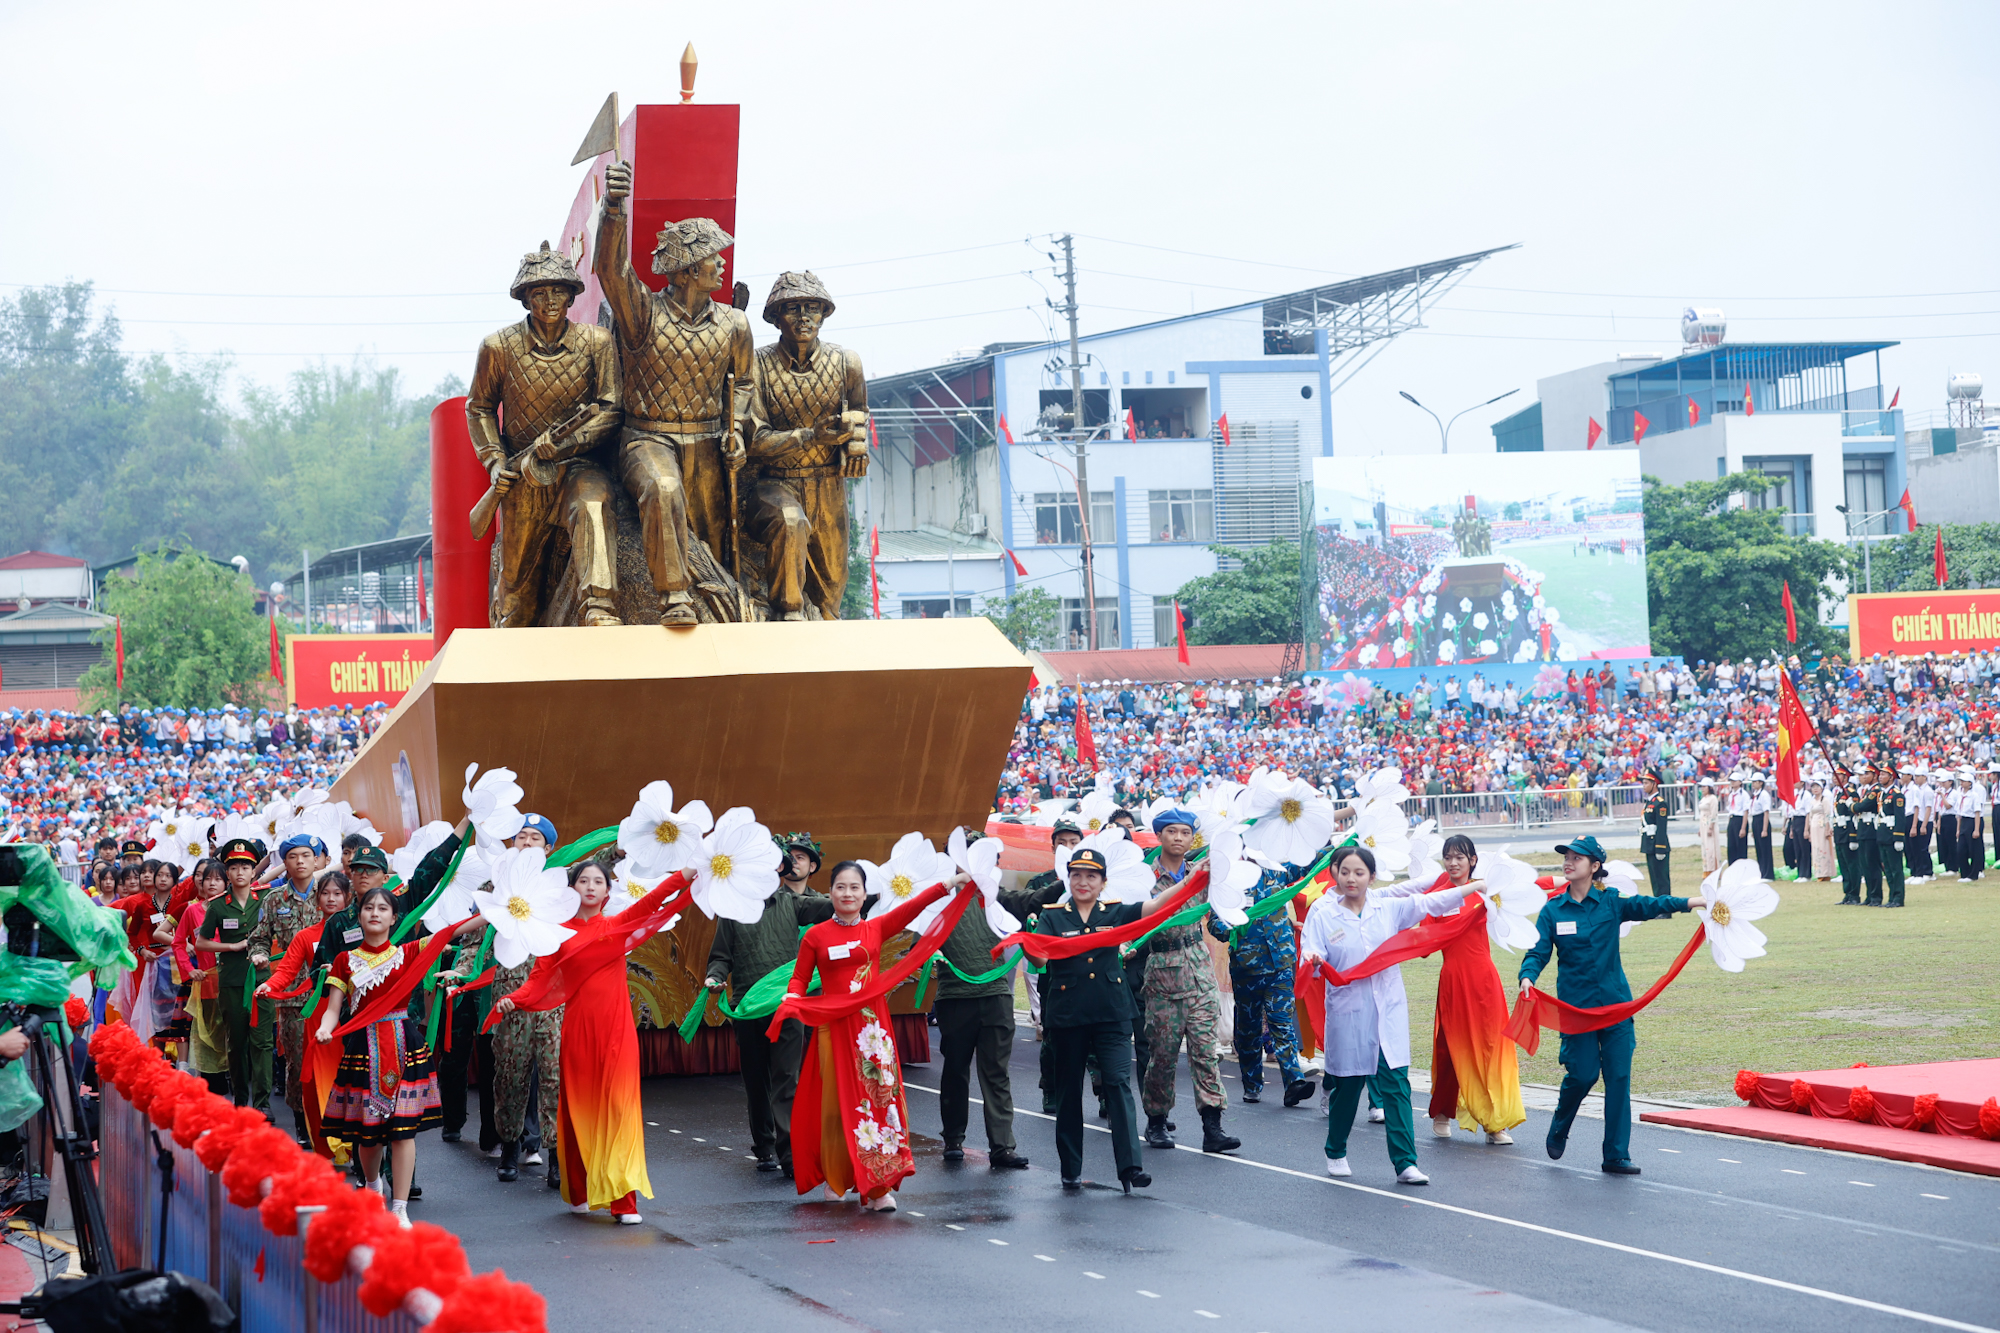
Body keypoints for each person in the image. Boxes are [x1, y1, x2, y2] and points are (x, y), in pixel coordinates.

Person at [595, 161, 754, 626]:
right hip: (648, 438)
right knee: (663, 489)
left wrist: (738, 429)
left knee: (710, 540)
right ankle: (673, 598)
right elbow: (610, 268)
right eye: (713, 255)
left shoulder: (734, 323)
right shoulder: (642, 313)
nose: (722, 262)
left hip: (708, 441)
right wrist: (614, 208)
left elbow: (743, 384)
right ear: (685, 269)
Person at [495, 859, 683, 1224]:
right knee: (579, 1109)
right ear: (572, 889)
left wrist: (685, 875)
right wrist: (513, 999)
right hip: (579, 1031)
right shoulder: (556, 935)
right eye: (584, 880)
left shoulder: (615, 926)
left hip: (617, 1031)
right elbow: (537, 980)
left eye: (599, 881)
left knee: (619, 1110)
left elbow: (655, 900)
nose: (592, 886)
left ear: (608, 892)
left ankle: (624, 1202)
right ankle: (579, 1190)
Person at [783, 861, 971, 1212]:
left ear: (865, 894)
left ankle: (877, 1187)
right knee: (836, 1106)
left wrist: (949, 883)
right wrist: (792, 997)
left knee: (878, 1102)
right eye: (841, 887)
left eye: (855, 887)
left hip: (871, 1032)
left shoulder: (876, 928)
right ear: (830, 892)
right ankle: (837, 1175)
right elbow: (799, 977)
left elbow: (913, 906)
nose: (848, 893)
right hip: (832, 1028)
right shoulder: (815, 936)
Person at [1517, 834, 1703, 1176]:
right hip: (1576, 1010)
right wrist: (1527, 976)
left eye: (1577, 857)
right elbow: (1538, 951)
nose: (1568, 862)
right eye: (1566, 856)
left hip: (1616, 1006)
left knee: (1618, 1076)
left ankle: (1616, 1154)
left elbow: (1651, 904)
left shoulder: (1611, 902)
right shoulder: (1553, 910)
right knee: (1583, 1074)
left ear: (1595, 866)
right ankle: (1560, 1123)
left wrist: (1693, 902)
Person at [466, 241, 625, 627]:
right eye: (539, 294)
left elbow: (611, 410)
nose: (550, 301)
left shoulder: (597, 344)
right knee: (516, 579)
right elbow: (479, 408)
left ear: (571, 296)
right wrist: (495, 462)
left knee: (592, 506)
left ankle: (599, 607)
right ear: (525, 300)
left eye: (558, 292)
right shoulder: (498, 347)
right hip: (524, 471)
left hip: (578, 463)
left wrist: (567, 444)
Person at [1302, 844, 1477, 1184]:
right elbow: (1310, 950)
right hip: (1349, 1012)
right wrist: (1311, 959)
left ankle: (1405, 1163)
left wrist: (1476, 887)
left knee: (1397, 1085)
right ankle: (1336, 1150)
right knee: (1349, 1085)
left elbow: (1428, 902)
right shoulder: (1323, 914)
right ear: (1336, 873)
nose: (1351, 878)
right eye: (1345, 872)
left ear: (1371, 876)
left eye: (1359, 872)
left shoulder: (1386, 908)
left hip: (1388, 1010)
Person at [1038, 845, 1191, 1192]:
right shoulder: (1052, 917)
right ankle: (1071, 1168)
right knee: (1068, 1092)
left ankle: (1130, 1168)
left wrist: (1190, 881)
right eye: (1076, 874)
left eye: (1091, 876)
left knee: (1119, 1087)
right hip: (1068, 1016)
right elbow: (1038, 958)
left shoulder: (1116, 911)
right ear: (1068, 878)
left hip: (1111, 1014)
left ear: (1103, 882)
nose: (1083, 881)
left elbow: (1155, 907)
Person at [705, 833, 838, 1177]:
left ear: (780, 868)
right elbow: (721, 957)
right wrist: (715, 977)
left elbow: (834, 907)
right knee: (756, 1081)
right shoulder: (732, 910)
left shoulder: (795, 904)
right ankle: (763, 1144)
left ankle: (790, 1154)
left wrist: (866, 893)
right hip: (747, 1009)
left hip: (788, 1008)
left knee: (786, 1079)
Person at [932, 830, 1062, 1170]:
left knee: (996, 1074)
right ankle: (953, 1140)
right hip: (955, 998)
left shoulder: (997, 897)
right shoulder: (938, 898)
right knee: (955, 1072)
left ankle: (1002, 1147)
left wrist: (1068, 876)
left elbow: (1034, 899)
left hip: (997, 997)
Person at [315, 885, 444, 1227]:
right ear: (358, 916)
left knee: (403, 1131)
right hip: (362, 1048)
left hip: (405, 1045)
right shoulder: (345, 961)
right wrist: (326, 1029)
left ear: (394, 917)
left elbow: (453, 930)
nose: (375, 913)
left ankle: (399, 1206)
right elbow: (333, 1008)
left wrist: (495, 912)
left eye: (383, 908)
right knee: (368, 1134)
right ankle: (374, 1187)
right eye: (368, 907)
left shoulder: (408, 953)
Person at [1383, 835, 1524, 1145]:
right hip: (1453, 982)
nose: (1453, 862)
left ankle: (1494, 1120)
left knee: (1491, 1046)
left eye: (1460, 857)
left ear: (1472, 860)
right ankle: (1443, 1112)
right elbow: (1422, 940)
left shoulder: (1486, 890)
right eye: (1448, 857)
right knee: (1449, 1049)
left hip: (1485, 981)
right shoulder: (1440, 896)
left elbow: (1526, 890)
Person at [746, 272, 868, 621]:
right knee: (790, 522)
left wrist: (857, 445)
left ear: (824, 313)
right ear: (776, 317)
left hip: (828, 484)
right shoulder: (758, 364)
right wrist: (810, 435)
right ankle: (789, 615)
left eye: (812, 308)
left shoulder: (847, 363)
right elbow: (755, 439)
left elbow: (860, 415)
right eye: (793, 308)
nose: (804, 317)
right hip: (775, 482)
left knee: (831, 592)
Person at [1140, 809, 1238, 1156]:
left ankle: (1213, 1128)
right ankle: (1156, 1121)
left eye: (1185, 832)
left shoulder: (1203, 873)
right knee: (1163, 1055)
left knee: (1205, 1053)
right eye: (1171, 832)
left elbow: (1218, 906)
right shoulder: (1144, 876)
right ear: (1159, 836)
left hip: (1198, 970)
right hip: (1163, 974)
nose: (1179, 838)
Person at [490, 815, 564, 1185]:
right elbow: (479, 939)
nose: (527, 843)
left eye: (536, 838)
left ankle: (554, 1156)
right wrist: (465, 969)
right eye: (521, 837)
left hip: (551, 999)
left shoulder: (559, 887)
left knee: (553, 1076)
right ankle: (509, 1148)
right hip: (509, 999)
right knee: (510, 1075)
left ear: (548, 848)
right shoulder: (497, 884)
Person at [255, 872, 353, 1152]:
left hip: (355, 1013)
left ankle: (356, 1144)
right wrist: (269, 985)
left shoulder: (361, 928)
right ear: (317, 898)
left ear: (348, 897)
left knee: (353, 1075)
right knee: (317, 1077)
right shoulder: (306, 936)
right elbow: (287, 969)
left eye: (337, 893)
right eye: (325, 893)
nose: (331, 899)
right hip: (319, 1015)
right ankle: (323, 1137)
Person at [1207, 857, 1313, 1109]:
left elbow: (1310, 860)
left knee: (1282, 1023)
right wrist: (1231, 928)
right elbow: (1214, 921)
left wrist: (1341, 841)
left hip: (1280, 963)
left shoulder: (1277, 871)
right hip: (1247, 966)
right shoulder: (1227, 880)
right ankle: (1252, 1084)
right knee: (1248, 1028)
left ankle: (1294, 1082)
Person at [245, 833, 326, 1136]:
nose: (300, 861)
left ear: (317, 859)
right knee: (298, 1059)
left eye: (307, 855)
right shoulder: (274, 900)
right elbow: (259, 939)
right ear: (285, 863)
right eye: (293, 856)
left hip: (331, 990)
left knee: (332, 1054)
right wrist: (260, 956)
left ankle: (333, 1120)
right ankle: (303, 1120)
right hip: (292, 995)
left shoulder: (330, 894)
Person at [193, 837, 274, 1111]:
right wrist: (232, 946)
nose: (240, 872)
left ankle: (262, 1104)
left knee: (262, 1043)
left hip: (262, 980)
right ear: (227, 873)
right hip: (231, 981)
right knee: (237, 1043)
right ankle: (241, 1101)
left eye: (246, 867)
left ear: (254, 871)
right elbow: (201, 942)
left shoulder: (265, 898)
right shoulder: (217, 905)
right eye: (234, 867)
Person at [170, 858, 231, 1097]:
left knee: (231, 1030)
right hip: (205, 983)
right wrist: (189, 970)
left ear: (226, 883)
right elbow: (177, 943)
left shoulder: (235, 907)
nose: (212, 883)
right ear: (201, 884)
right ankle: (212, 1082)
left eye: (218, 879)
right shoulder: (192, 911)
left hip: (232, 981)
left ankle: (233, 1077)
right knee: (208, 1034)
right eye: (208, 879)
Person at [1638, 769, 1671, 895]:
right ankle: (1658, 907)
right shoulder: (1649, 803)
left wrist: (1660, 848)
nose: (1644, 786)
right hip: (1649, 845)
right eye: (1644, 783)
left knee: (1661, 879)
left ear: (1654, 784)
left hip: (1657, 845)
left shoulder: (1660, 803)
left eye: (1646, 783)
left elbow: (1661, 828)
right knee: (1654, 879)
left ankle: (1665, 909)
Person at [1747, 775, 1774, 880]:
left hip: (1762, 820)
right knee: (1759, 849)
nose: (1753, 784)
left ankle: (1768, 874)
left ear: (1761, 782)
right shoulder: (1755, 795)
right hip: (1755, 820)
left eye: (1755, 782)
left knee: (1765, 849)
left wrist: (1764, 829)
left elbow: (1766, 812)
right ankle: (1762, 872)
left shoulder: (1763, 795)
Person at [1695, 778, 1719, 874]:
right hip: (1703, 825)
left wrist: (1710, 827)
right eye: (1702, 787)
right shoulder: (1703, 799)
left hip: (1710, 825)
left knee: (1711, 848)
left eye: (1704, 787)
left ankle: (1713, 869)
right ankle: (1706, 869)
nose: (1702, 789)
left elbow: (1714, 813)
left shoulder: (1713, 798)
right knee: (1704, 847)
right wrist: (1700, 828)